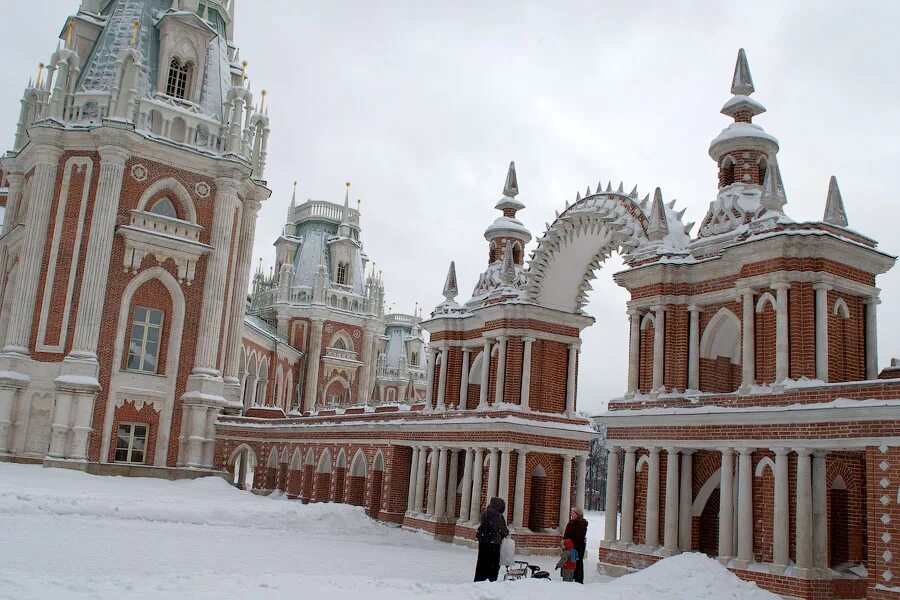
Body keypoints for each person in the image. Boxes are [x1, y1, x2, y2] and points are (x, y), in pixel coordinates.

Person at [473, 497, 509, 582]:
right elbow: (503, 530)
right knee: (493, 564)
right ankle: (491, 580)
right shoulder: (499, 516)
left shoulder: (485, 513)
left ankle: (480, 579)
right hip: (494, 543)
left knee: (482, 562)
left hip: (483, 542)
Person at [563, 506, 588, 584]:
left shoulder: (582, 524)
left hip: (577, 547)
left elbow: (579, 537)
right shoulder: (570, 523)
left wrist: (570, 543)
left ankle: (578, 579)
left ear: (578, 514)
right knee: (569, 561)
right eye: (572, 513)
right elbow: (566, 534)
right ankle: (569, 577)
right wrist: (564, 542)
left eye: (573, 513)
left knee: (577, 562)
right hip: (568, 546)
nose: (572, 514)